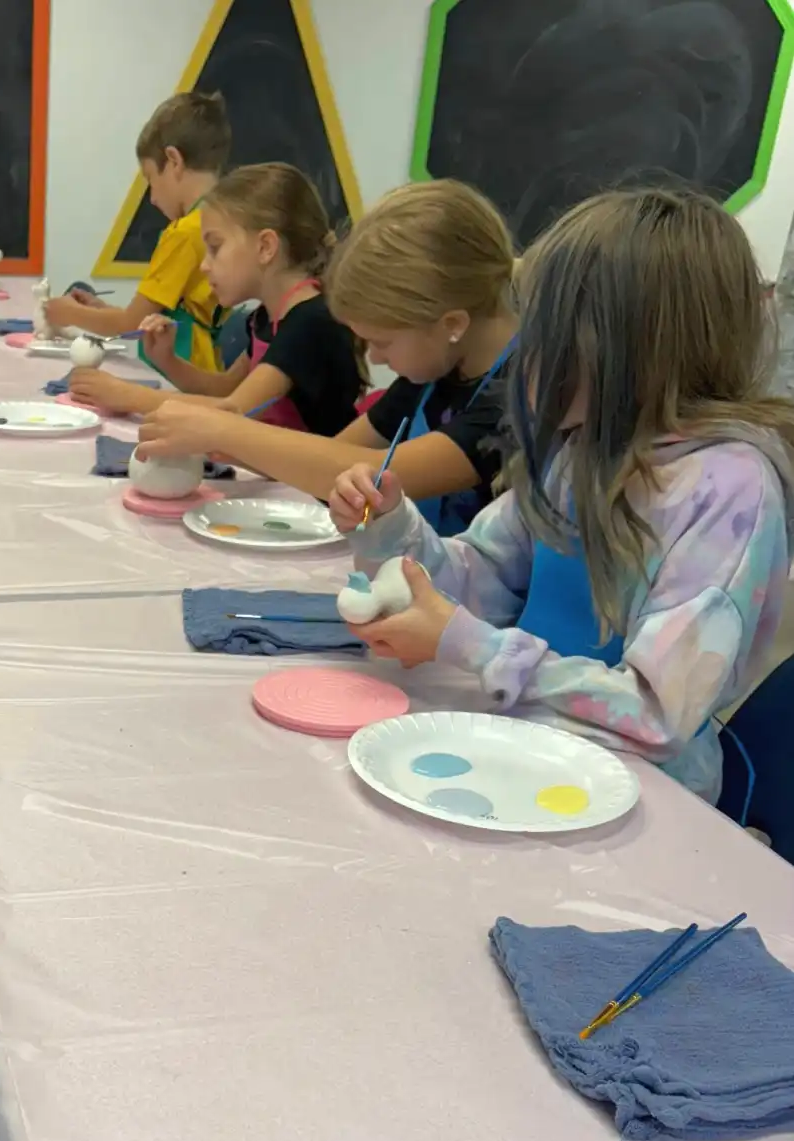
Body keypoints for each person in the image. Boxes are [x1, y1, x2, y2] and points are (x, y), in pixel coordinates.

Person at [327, 187, 794, 803]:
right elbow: (480, 575)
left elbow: (656, 716)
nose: (524, 360)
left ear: (630, 352)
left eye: (546, 337)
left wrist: (472, 645)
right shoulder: (580, 453)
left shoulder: (729, 492)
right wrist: (388, 528)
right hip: (531, 756)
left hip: (641, 800)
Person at [131, 179, 520, 534]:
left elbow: (389, 473)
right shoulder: (436, 372)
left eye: (382, 342)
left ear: (451, 323)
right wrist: (218, 441)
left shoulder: (518, 397)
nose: (376, 360)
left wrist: (221, 429)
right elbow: (336, 455)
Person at [70, 163, 365, 437]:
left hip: (312, 491)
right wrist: (168, 361)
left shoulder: (310, 322)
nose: (204, 265)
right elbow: (225, 390)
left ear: (265, 247)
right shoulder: (267, 316)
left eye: (215, 247)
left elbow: (234, 411)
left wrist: (131, 396)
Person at [45, 92, 231, 370]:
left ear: (173, 161)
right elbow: (149, 317)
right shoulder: (227, 218)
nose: (153, 198)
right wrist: (97, 310)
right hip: (210, 368)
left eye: (150, 179)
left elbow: (130, 324)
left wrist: (70, 313)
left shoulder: (185, 233)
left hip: (180, 372)